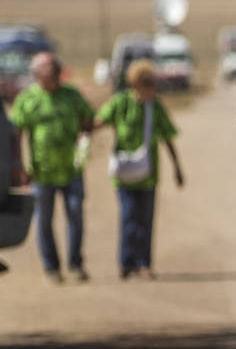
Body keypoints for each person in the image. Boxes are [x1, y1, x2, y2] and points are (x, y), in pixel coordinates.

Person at [95, 58, 184, 278]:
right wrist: (83, 129)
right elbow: (100, 120)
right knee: (128, 217)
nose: (151, 88)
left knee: (145, 220)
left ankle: (144, 263)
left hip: (148, 175)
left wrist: (177, 168)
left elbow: (168, 137)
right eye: (147, 84)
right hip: (124, 175)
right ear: (135, 84)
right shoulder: (120, 102)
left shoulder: (156, 107)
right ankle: (125, 262)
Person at [9, 52, 93, 282]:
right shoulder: (27, 99)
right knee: (43, 221)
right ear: (37, 75)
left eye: (56, 69)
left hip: (72, 169)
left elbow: (88, 120)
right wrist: (19, 167)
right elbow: (15, 135)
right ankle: (51, 267)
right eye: (49, 70)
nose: (54, 73)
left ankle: (76, 264)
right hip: (41, 172)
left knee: (75, 215)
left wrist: (84, 141)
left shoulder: (72, 96)